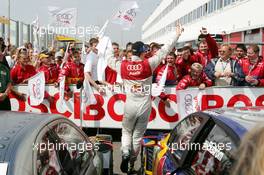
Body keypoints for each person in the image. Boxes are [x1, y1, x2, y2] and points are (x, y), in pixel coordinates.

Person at [106, 24, 183, 174]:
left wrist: (108, 44)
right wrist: (177, 34)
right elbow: (165, 50)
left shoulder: (123, 66)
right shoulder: (149, 64)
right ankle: (132, 164)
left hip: (130, 104)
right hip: (144, 106)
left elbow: (109, 58)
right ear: (142, 53)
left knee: (126, 132)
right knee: (137, 136)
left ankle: (125, 153)